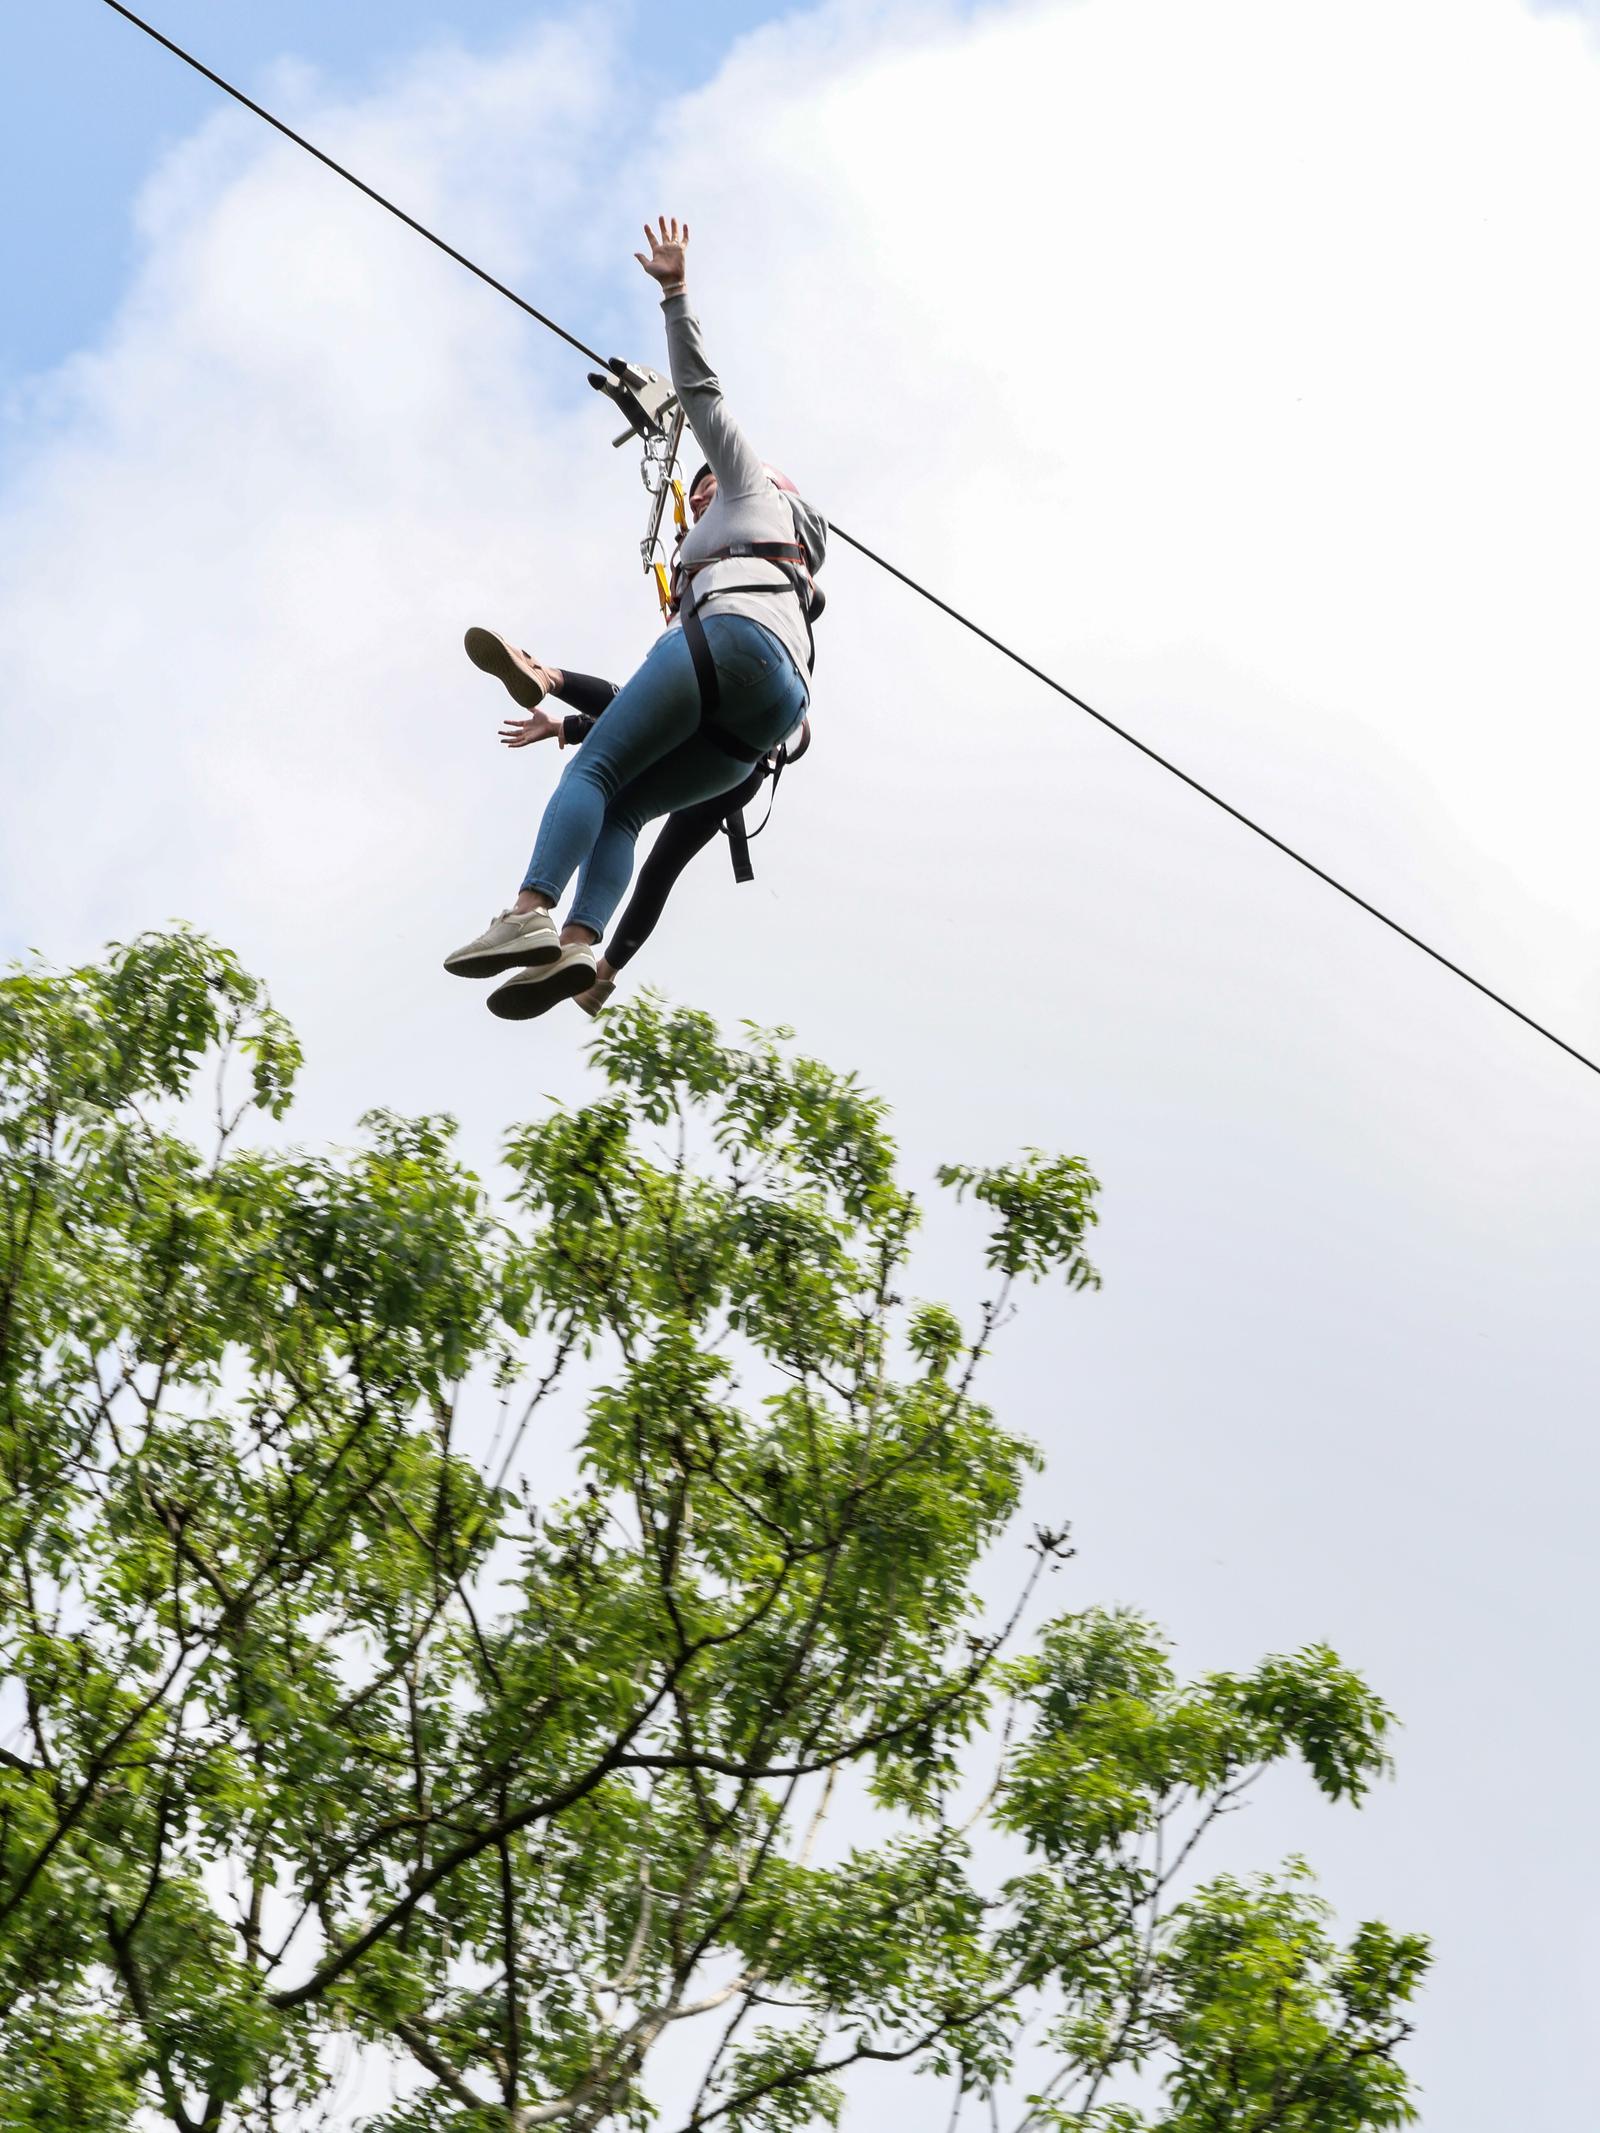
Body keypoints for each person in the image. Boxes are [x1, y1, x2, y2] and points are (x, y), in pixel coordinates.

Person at [444, 215, 827, 1020]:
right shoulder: (793, 573)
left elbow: (701, 393)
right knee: (624, 807)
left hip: (729, 647)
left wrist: (676, 293)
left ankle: (528, 912)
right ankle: (582, 945)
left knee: (592, 775)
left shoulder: (750, 491)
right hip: (760, 726)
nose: (696, 503)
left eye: (702, 493)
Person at [457, 644, 810, 1016]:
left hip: (720, 707)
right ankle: (593, 968)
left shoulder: (728, 615)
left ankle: (530, 913)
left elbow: (641, 711)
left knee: (597, 778)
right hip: (745, 768)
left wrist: (565, 707)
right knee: (652, 858)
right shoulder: (794, 656)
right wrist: (566, 726)